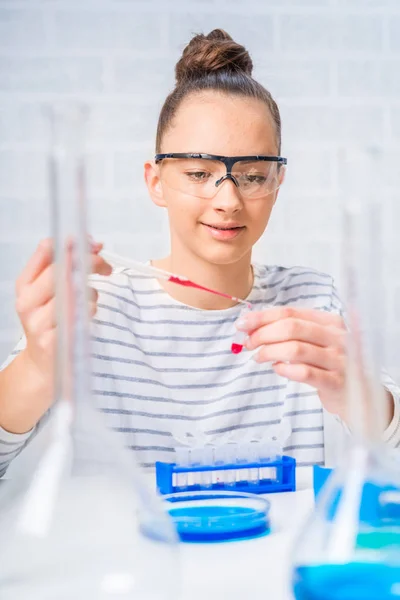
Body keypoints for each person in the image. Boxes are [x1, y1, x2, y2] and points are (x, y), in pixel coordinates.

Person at [0, 29, 399, 477]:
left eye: (251, 175)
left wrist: (360, 397)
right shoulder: (89, 309)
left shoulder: (310, 300)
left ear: (277, 184)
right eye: (198, 172)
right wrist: (37, 366)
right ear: (155, 181)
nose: (228, 200)